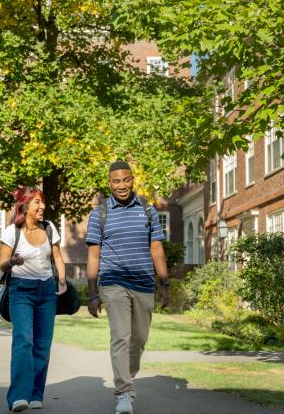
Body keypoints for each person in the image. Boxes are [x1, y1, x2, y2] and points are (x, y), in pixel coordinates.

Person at [86, 161, 169, 414]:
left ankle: (127, 380)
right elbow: (93, 256)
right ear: (109, 183)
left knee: (140, 339)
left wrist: (164, 282)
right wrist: (92, 293)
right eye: (116, 181)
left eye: (126, 180)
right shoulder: (99, 214)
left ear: (133, 179)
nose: (121, 185)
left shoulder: (148, 211)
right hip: (113, 283)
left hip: (143, 283)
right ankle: (123, 392)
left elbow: (156, 249)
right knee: (120, 337)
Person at [0, 186, 67, 412]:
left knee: (42, 345)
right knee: (24, 340)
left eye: (42, 202)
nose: (42, 206)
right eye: (37, 202)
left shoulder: (49, 228)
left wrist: (63, 280)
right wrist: (12, 262)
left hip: (47, 291)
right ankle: (18, 395)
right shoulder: (12, 231)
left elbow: (57, 256)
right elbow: (2, 263)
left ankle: (36, 393)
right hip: (21, 291)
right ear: (25, 206)